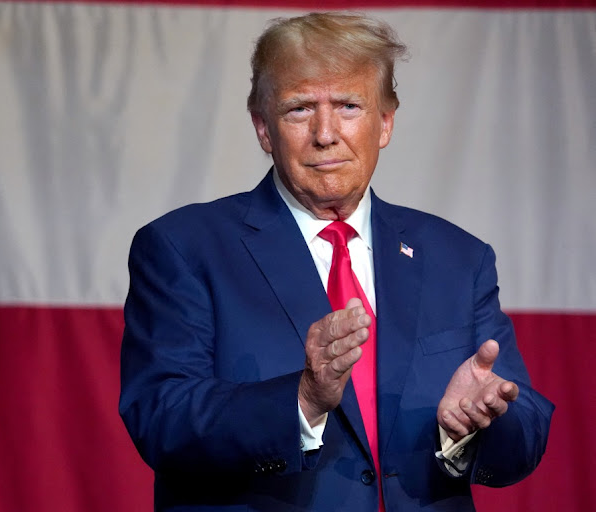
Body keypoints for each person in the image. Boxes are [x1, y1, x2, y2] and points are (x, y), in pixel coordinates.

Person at [119, 12, 553, 512]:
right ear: (263, 128)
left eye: (349, 106)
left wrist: (476, 424)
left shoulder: (458, 257)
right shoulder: (183, 247)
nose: (326, 134)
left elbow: (526, 432)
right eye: (300, 109)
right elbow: (160, 419)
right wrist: (301, 400)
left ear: (385, 122)